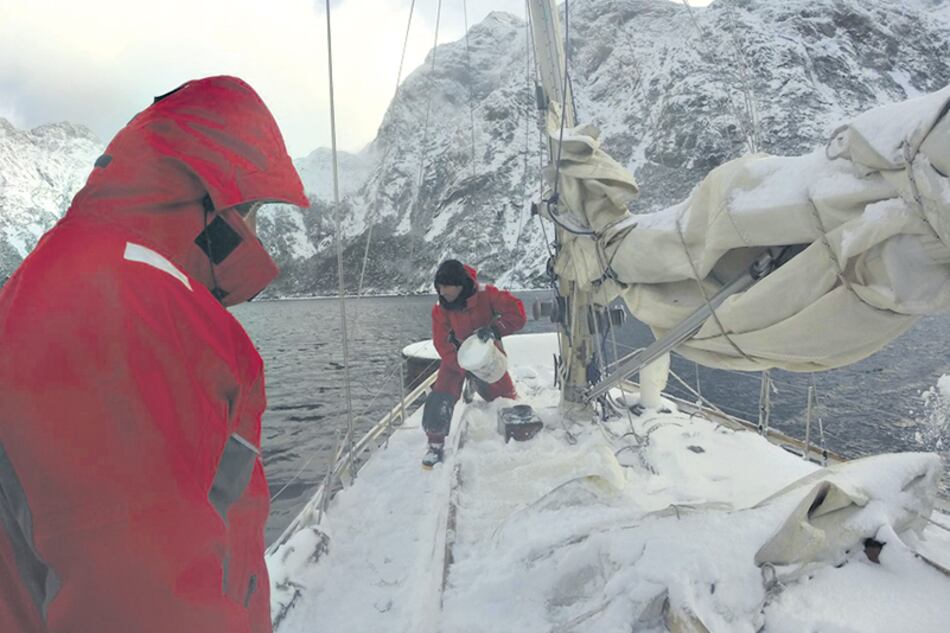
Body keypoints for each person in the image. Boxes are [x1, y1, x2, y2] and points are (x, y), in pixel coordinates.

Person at [0, 76, 309, 633]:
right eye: (253, 211)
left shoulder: (64, 276)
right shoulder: (135, 309)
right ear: (212, 201)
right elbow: (145, 602)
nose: (256, 233)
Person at [422, 259, 526, 468]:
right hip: (456, 358)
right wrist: (461, 365)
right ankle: (434, 444)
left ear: (461, 285)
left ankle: (517, 443)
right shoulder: (440, 309)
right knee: (440, 396)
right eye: (439, 288)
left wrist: (496, 329)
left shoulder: (487, 294)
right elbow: (441, 342)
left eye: (447, 288)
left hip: (487, 356)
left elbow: (517, 314)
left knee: (506, 399)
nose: (442, 293)